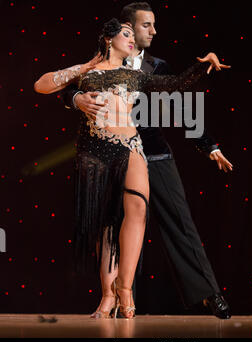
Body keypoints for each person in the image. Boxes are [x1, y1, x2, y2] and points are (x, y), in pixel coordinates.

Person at [34, 17, 229, 319]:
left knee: (138, 210)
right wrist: (81, 77)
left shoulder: (136, 75)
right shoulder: (88, 72)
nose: (132, 39)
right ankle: (107, 295)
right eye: (126, 34)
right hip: (96, 151)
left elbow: (176, 84)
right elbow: (41, 85)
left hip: (131, 146)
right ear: (109, 38)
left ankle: (125, 288)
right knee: (107, 227)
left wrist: (204, 65)